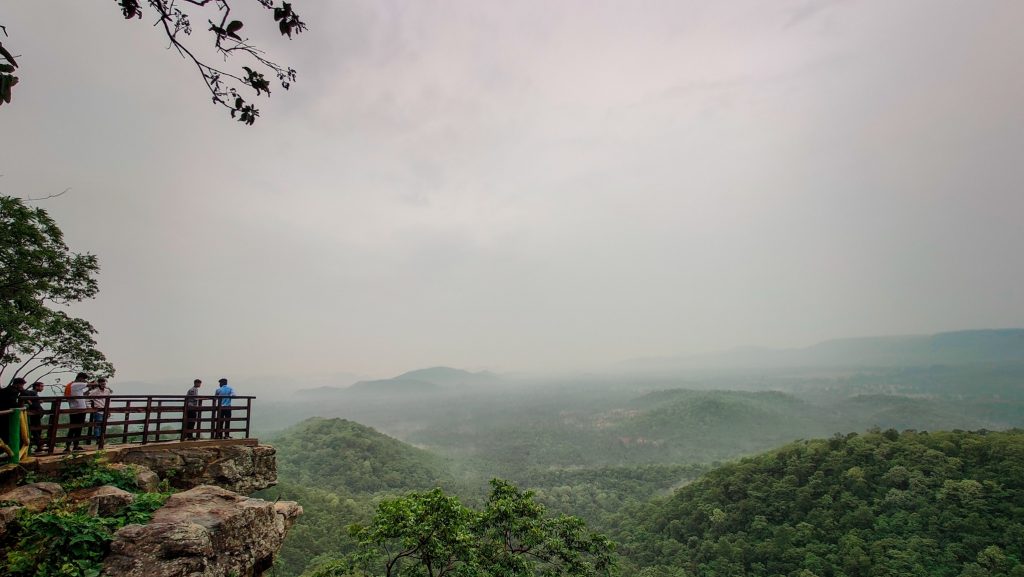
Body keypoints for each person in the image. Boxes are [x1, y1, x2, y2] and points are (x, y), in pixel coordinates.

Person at [64, 372, 90, 452]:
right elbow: (91, 384)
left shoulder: (73, 386)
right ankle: (70, 446)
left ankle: (73, 446)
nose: (84, 381)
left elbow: (82, 395)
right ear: (80, 378)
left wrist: (89, 391)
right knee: (75, 428)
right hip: (78, 410)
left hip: (76, 409)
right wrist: (96, 384)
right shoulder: (76, 385)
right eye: (84, 379)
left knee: (75, 428)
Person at [0, 378, 27, 448]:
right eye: (22, 385)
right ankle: (12, 449)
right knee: (8, 432)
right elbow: (13, 404)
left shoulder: (6, 389)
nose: (22, 387)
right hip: (7, 414)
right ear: (18, 384)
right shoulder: (13, 391)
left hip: (3, 413)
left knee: (3, 432)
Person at [20, 381, 45, 453]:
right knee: (36, 430)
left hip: (36, 413)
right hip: (34, 414)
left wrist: (32, 401)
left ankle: (39, 446)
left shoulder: (34, 393)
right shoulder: (32, 392)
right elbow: (25, 394)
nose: (42, 388)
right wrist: (32, 402)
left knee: (37, 430)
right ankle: (39, 445)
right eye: (41, 386)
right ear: (36, 386)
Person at [87, 377, 112, 443]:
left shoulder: (107, 391)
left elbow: (109, 400)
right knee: (97, 425)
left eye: (104, 384)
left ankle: (102, 439)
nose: (103, 385)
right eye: (102, 384)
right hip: (98, 410)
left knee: (103, 425)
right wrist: (91, 408)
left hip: (105, 409)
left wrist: (109, 410)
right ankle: (98, 440)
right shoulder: (94, 392)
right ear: (99, 384)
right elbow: (88, 400)